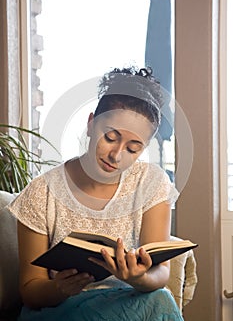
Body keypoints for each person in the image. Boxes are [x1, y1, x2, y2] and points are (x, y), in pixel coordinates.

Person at [8, 66, 183, 320]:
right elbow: (30, 291)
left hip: (128, 301)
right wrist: (60, 288)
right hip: (64, 308)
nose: (116, 155)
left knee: (160, 299)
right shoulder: (41, 192)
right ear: (90, 124)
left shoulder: (151, 183)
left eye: (133, 149)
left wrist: (140, 277)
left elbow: (161, 272)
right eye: (110, 137)